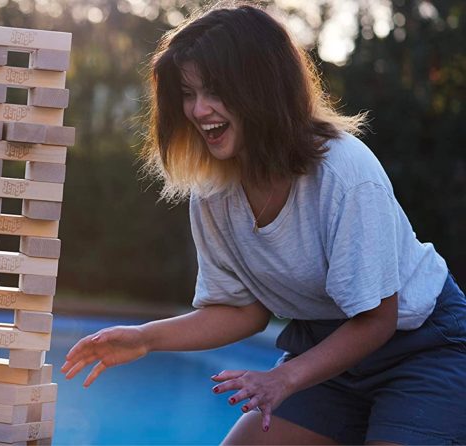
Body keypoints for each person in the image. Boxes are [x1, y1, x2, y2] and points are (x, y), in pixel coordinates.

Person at [60, 4, 466, 445]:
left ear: (263, 87)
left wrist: (286, 378)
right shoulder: (213, 191)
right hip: (327, 351)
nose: (198, 109)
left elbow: (377, 320)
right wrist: (144, 339)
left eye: (214, 90)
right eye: (187, 92)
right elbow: (243, 311)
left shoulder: (345, 173)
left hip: (422, 348)